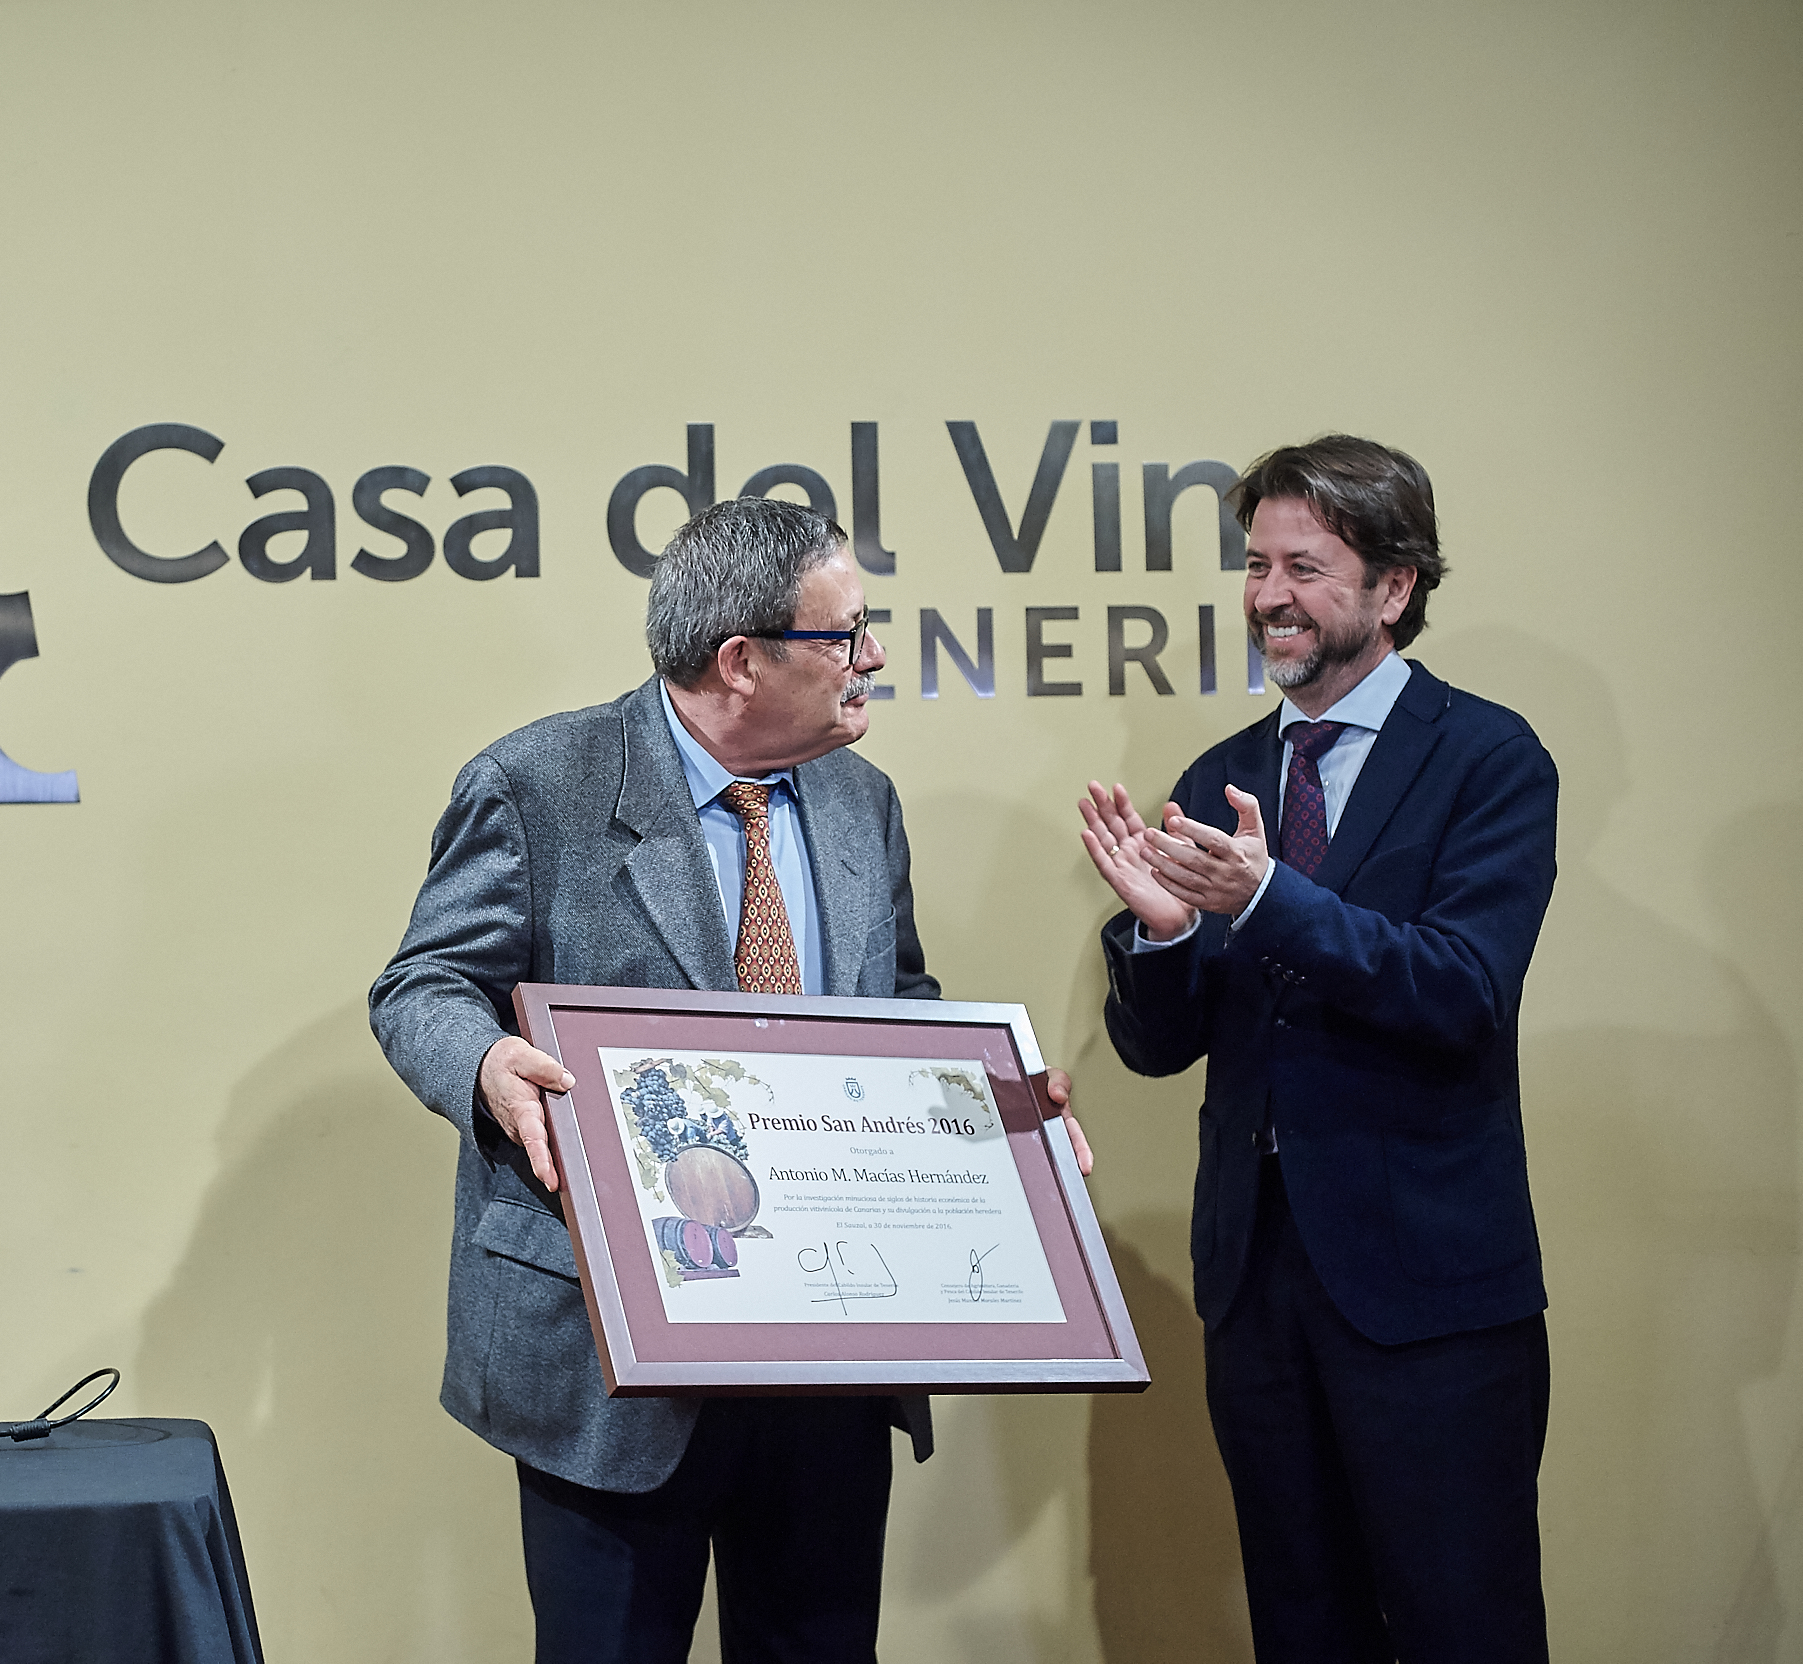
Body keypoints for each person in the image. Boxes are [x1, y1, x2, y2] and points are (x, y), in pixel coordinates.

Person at [371, 496, 1081, 1664]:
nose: (875, 657)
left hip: (832, 1348)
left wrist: (993, 1106)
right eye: (845, 632)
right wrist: (489, 1061)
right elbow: (422, 986)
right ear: (738, 660)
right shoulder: (537, 783)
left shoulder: (862, 799)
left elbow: (896, 1002)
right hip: (612, 1365)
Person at [1078, 435, 1557, 1663]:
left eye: (1305, 565)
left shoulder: (1489, 760)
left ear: (1393, 587)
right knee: (1301, 1626)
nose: (1268, 595)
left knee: (1465, 1624)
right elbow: (1157, 1046)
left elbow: (1460, 990)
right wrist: (1164, 931)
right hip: (1255, 1289)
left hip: (1430, 1295)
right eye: (1254, 564)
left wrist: (1266, 898)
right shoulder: (1223, 775)